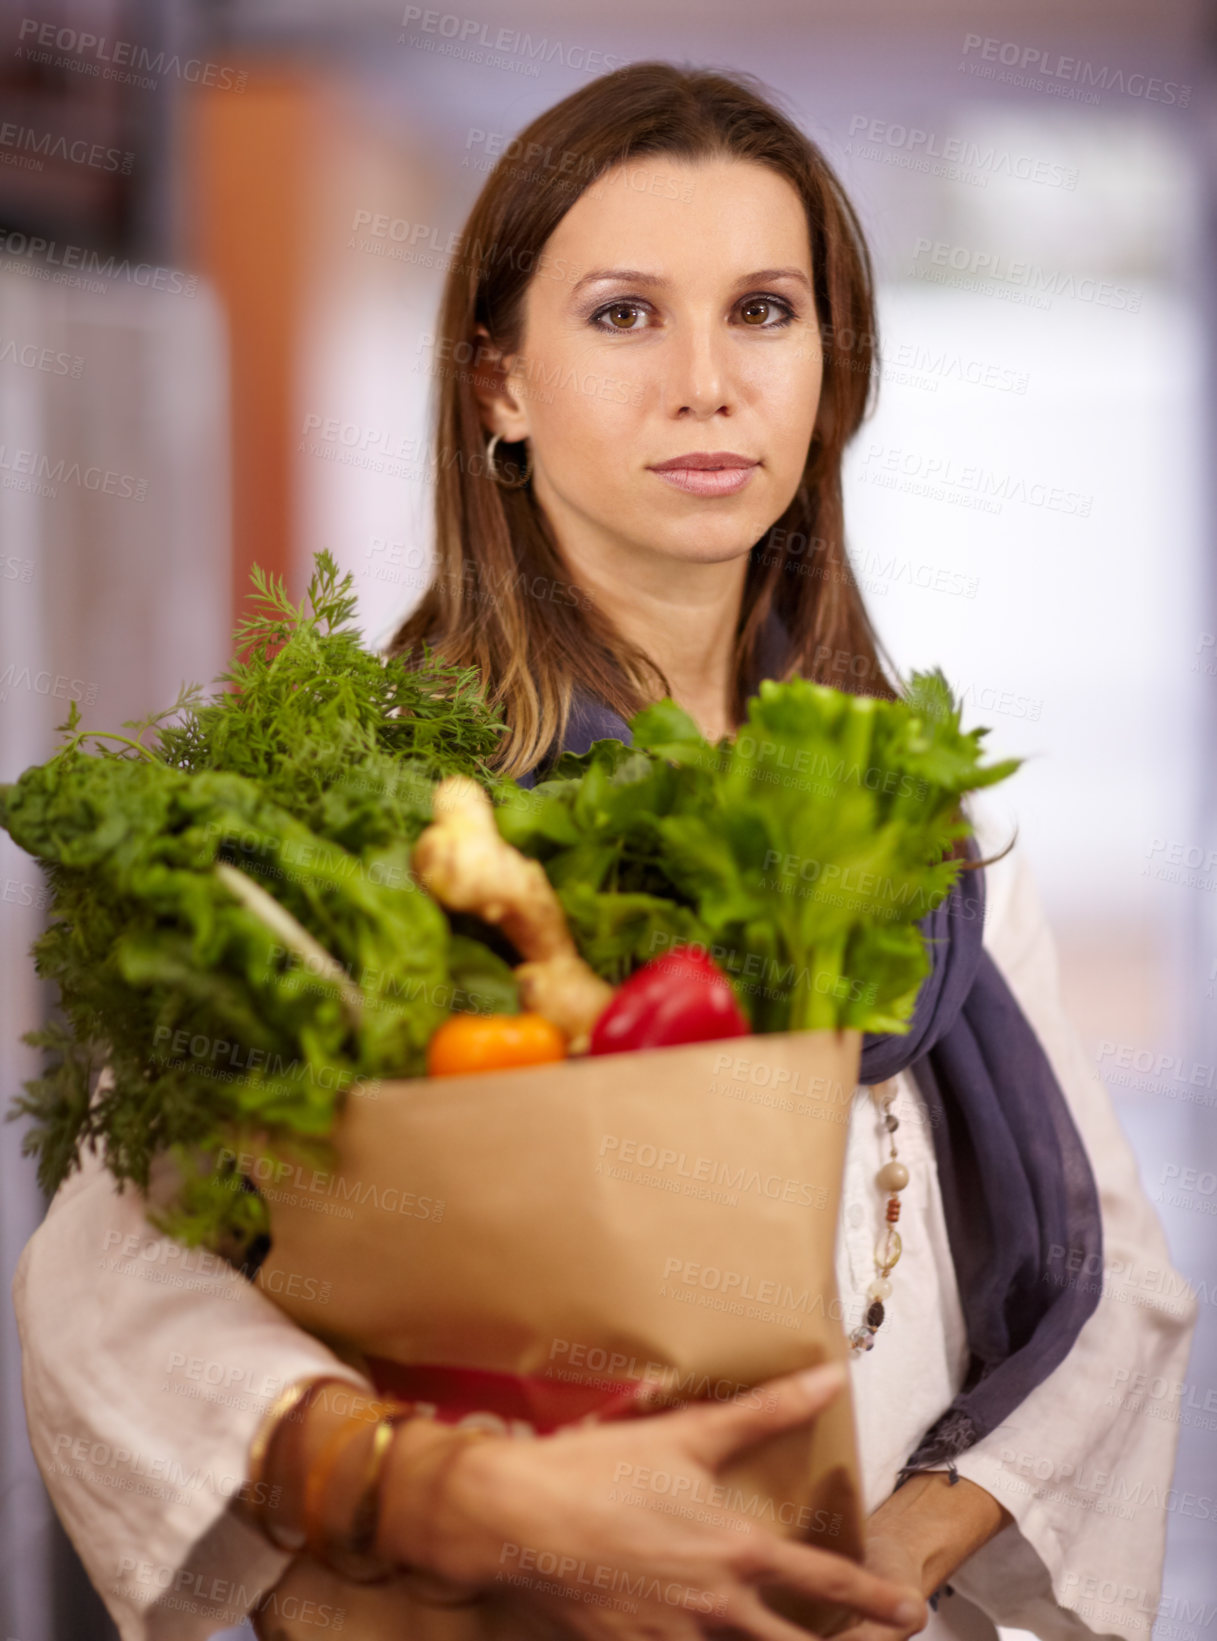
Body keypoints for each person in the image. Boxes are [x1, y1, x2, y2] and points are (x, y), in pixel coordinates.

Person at [11, 61, 1195, 1641]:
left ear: (831, 369)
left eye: (764, 311)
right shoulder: (360, 808)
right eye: (624, 314)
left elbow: (1113, 1274)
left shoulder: (925, 818)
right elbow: (107, 1280)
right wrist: (451, 1499)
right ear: (497, 380)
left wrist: (888, 1559)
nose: (706, 382)